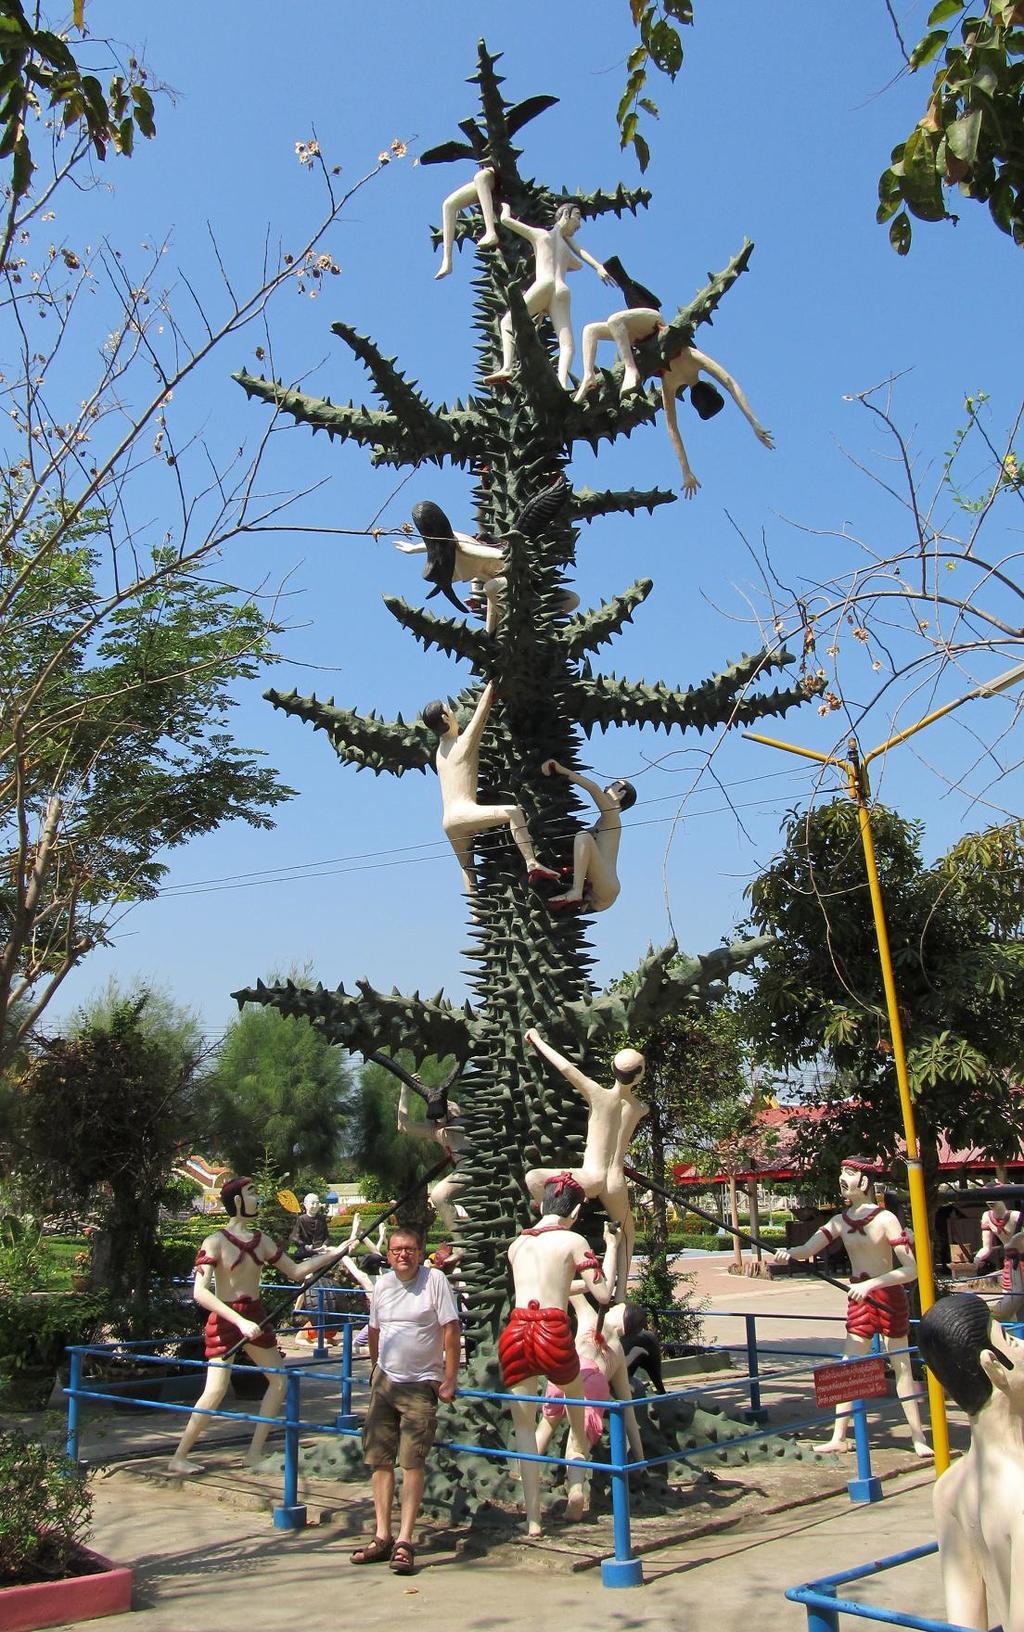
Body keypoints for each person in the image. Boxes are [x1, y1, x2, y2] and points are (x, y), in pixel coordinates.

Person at [168, 1176, 345, 1476]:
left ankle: (254, 1452)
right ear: (237, 1201)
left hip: (256, 1316)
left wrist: (335, 1253)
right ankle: (179, 1456)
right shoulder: (215, 1241)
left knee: (279, 1382)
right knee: (215, 1390)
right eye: (252, 1194)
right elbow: (200, 1293)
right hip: (227, 1319)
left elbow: (296, 1271)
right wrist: (238, 1320)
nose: (257, 1200)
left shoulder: (261, 1240)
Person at [771, 1155, 930, 1456]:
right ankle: (839, 1436)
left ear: (865, 1182)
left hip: (887, 1298)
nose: (842, 1179)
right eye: (841, 1173)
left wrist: (871, 1284)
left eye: (848, 1173)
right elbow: (808, 1249)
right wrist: (788, 1254)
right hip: (859, 1301)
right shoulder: (839, 1221)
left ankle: (918, 1437)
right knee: (848, 1365)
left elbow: (912, 1270)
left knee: (902, 1367)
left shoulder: (886, 1220)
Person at [500, 1175, 618, 1533]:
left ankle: (533, 1519)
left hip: (517, 1329)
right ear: (577, 1210)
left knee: (524, 1425)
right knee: (577, 1406)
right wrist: (611, 1247)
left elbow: (550, 1283)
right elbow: (603, 1292)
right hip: (551, 1329)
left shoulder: (517, 1245)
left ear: (541, 1205)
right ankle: (577, 1476)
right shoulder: (574, 1240)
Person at [572, 305, 773, 498]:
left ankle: (590, 374)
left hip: (635, 337)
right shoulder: (679, 371)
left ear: (710, 388)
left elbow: (729, 384)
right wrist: (686, 470)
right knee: (614, 321)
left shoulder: (680, 372)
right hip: (651, 326)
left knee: (591, 330)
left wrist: (754, 422)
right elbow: (673, 428)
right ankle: (627, 370)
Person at [350, 1226, 461, 1577]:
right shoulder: (382, 1285)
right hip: (385, 1382)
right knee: (379, 1460)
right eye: (397, 1249)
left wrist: (450, 1377)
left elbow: (451, 1330)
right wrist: (374, 1370)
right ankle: (382, 1535)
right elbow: (374, 1329)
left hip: (420, 1384)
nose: (402, 1255)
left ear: (420, 1252)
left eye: (410, 1249)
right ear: (389, 1253)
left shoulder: (435, 1282)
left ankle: (405, 1540)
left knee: (412, 1462)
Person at [916, 1292, 1024, 1632]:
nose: (1021, 1341)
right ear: (993, 1366)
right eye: (1009, 1338)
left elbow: (963, 1623)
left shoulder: (950, 1486)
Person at [524, 1028, 648, 1299]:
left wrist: (537, 1039)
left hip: (590, 1177)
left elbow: (565, 1067)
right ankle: (621, 1296)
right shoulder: (640, 1108)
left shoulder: (599, 1094)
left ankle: (550, 1217)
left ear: (612, 1069)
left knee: (533, 1178)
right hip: (614, 1180)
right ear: (639, 1075)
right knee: (627, 1233)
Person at [422, 680, 559, 895]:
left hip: (448, 822)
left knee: (467, 868)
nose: (454, 712)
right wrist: (494, 679)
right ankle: (531, 862)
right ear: (446, 718)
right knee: (513, 812)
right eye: (450, 710)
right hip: (464, 812)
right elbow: (482, 711)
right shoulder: (462, 745)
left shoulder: (441, 752)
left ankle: (475, 913)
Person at [535, 1294, 646, 1519]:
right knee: (577, 1445)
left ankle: (523, 1471)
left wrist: (593, 1284)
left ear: (619, 1312)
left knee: (546, 1425)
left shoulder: (590, 1315)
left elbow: (568, 1287)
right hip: (595, 1382)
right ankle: (576, 1488)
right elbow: (629, 1410)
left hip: (568, 1371)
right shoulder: (617, 1351)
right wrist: (640, 1456)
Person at [483, 201, 614, 389]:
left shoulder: (540, 235)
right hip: (562, 290)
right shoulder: (564, 249)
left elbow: (505, 220)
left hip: (544, 285)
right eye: (577, 216)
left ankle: (507, 367)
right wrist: (566, 242)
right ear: (565, 215)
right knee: (567, 343)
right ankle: (562, 382)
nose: (580, 224)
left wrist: (504, 207)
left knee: (507, 322)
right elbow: (578, 265)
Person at [540, 758, 635, 914]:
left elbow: (593, 788)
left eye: (613, 785)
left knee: (583, 836)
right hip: (602, 891)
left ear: (621, 793)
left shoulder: (612, 815)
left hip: (606, 885)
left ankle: (576, 891)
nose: (607, 786)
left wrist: (561, 769)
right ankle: (574, 894)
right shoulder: (604, 822)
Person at [395, 1082, 468, 1234]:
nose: (449, 1107)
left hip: (480, 1165)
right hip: (464, 1170)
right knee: (439, 1195)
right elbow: (403, 1126)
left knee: (440, 1194)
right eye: (445, 1106)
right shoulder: (439, 1132)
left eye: (450, 1104)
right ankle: (462, 1246)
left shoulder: (468, 1122)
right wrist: (405, 1091)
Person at [433, 164, 499, 280]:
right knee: (449, 204)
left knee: (480, 177)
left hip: (500, 171)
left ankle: (491, 231)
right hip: (486, 176)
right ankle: (447, 260)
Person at [972, 1197, 1023, 1290]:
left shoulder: (1016, 1216)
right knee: (1008, 1291)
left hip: (1022, 1257)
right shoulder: (986, 1217)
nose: (990, 1200)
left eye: (994, 1196)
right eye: (987, 1196)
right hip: (1010, 1260)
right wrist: (977, 1259)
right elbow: (986, 1248)